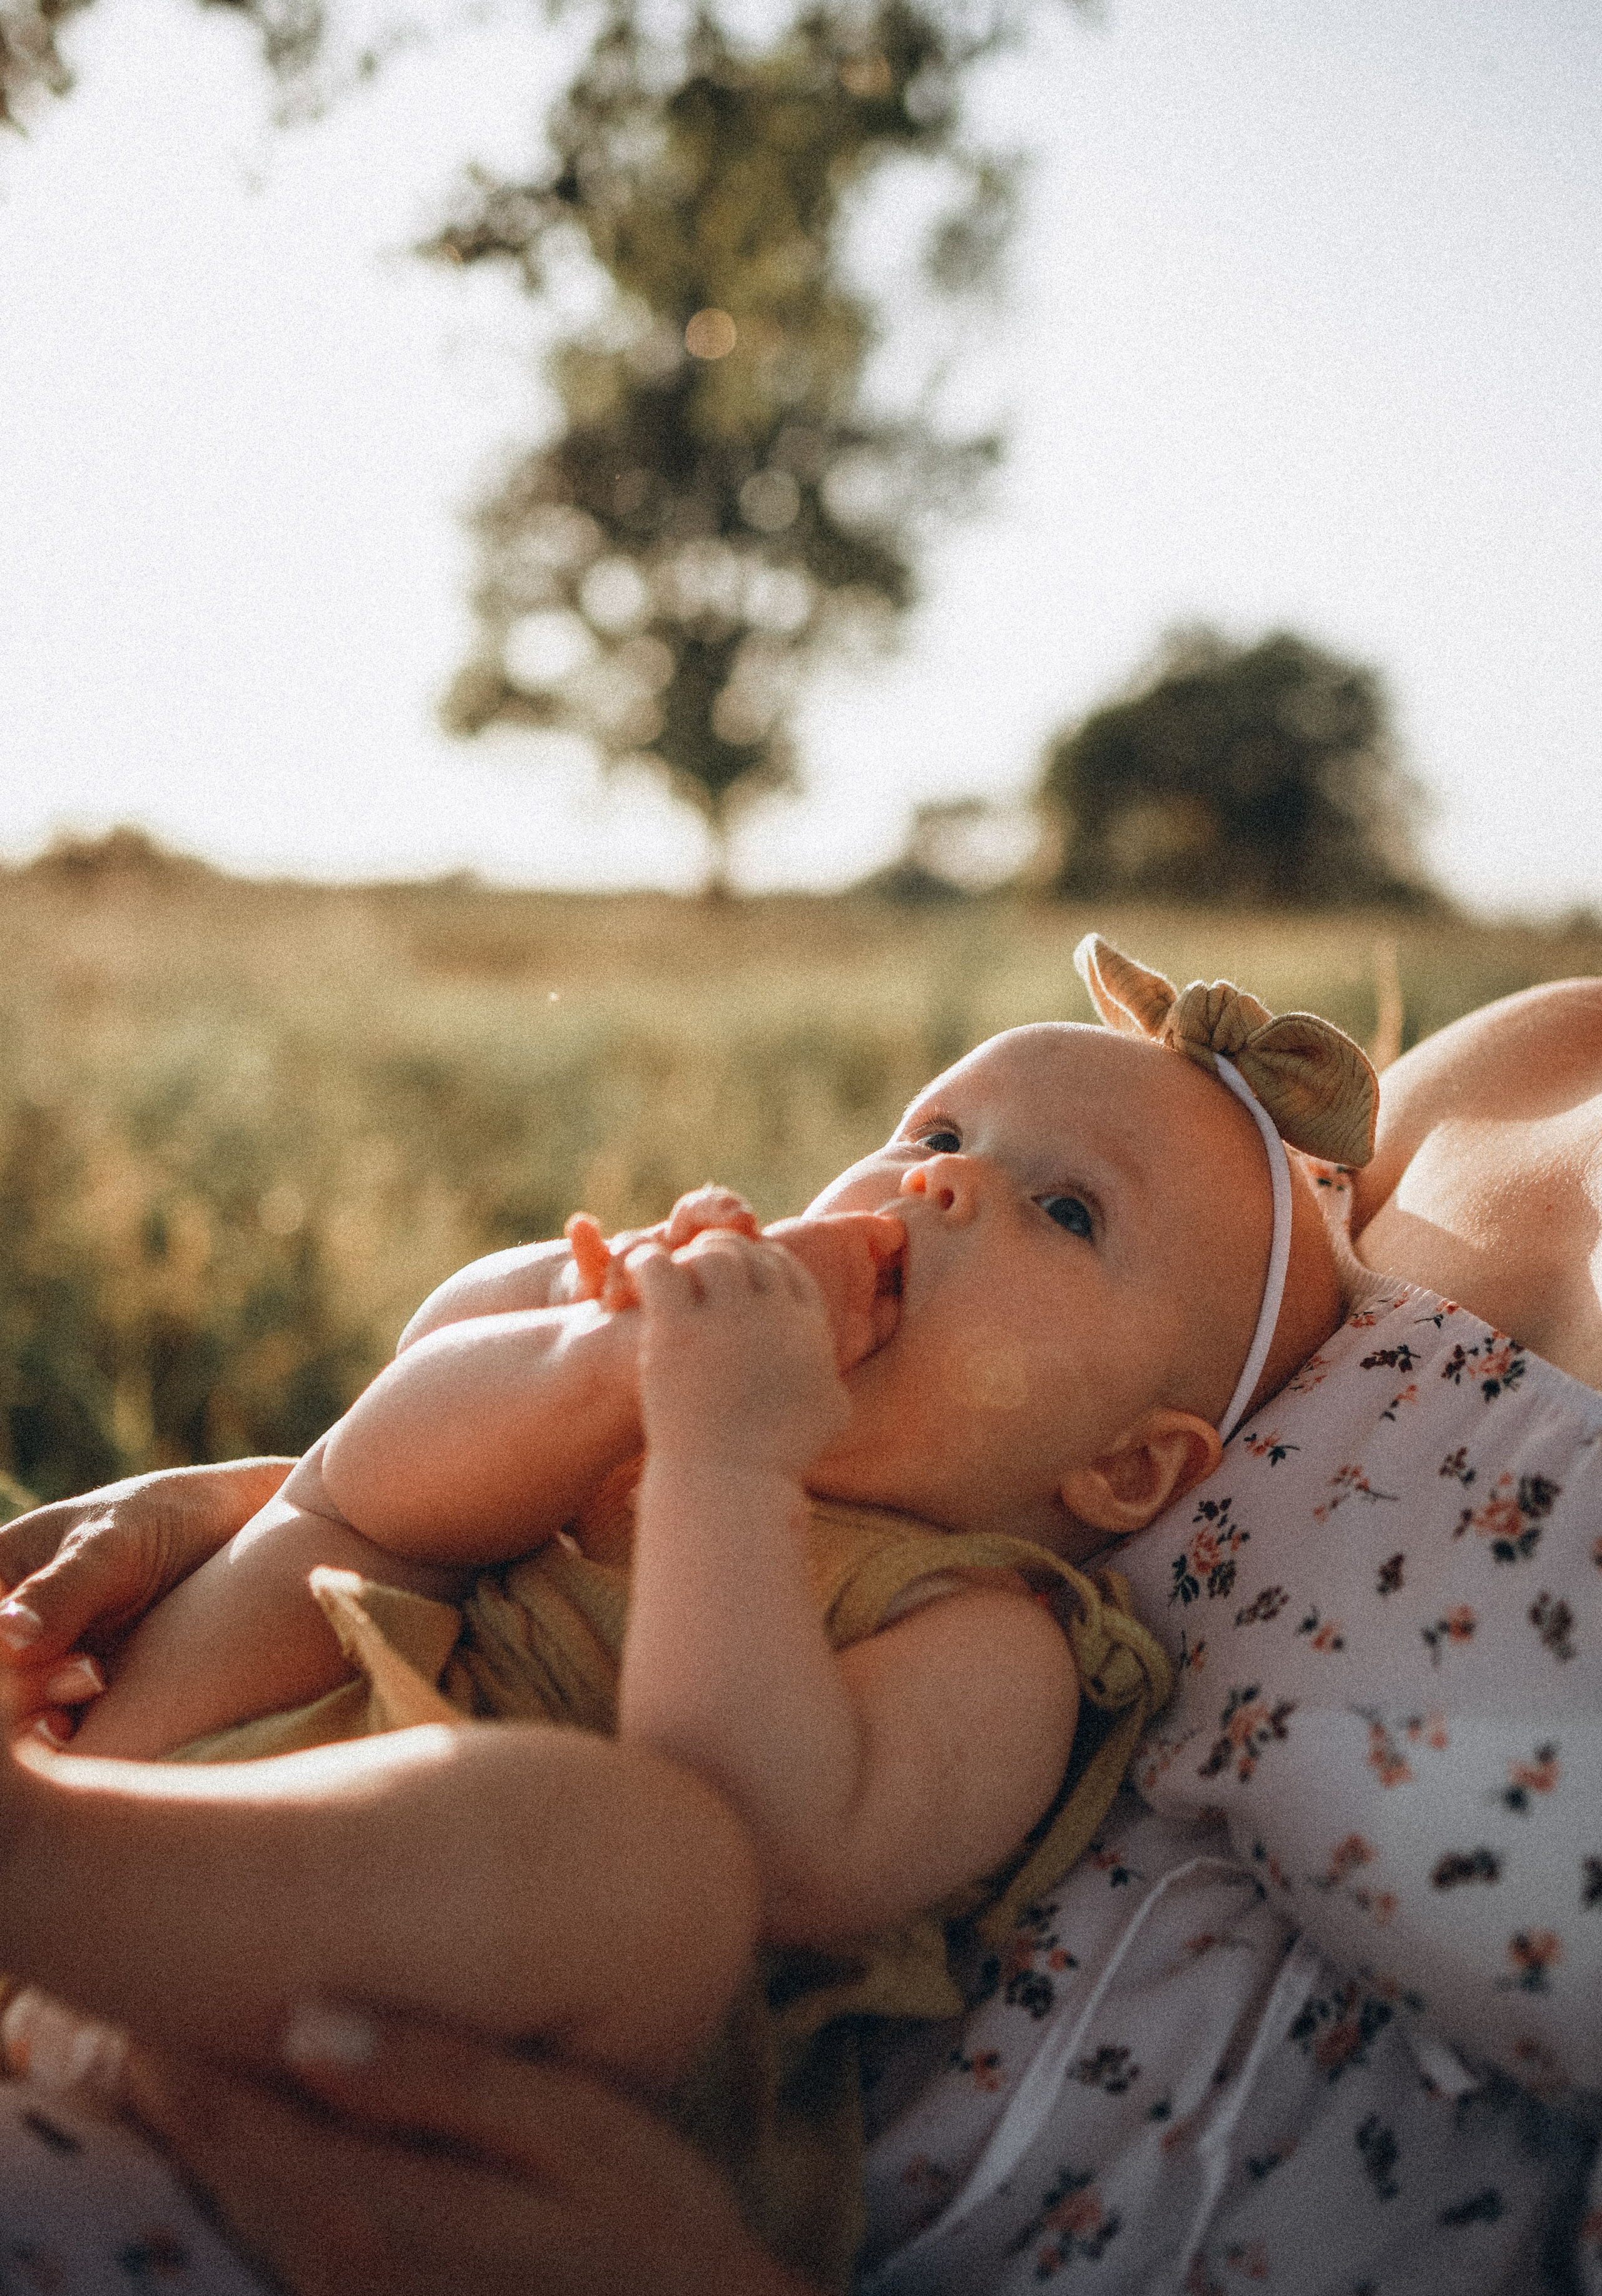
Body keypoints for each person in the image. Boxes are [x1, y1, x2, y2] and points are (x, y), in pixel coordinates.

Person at [6, 954, 1601, 2291]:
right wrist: (584, 1357)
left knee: (663, 1865)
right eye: (937, 1126)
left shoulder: (993, 1628)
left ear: (1127, 1469)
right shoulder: (1502, 1081)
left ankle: (39, 1855)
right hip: (208, 1830)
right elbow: (369, 1487)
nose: (938, 1178)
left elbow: (773, 1841)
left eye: (1060, 1211)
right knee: (333, 1541)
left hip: (489, 2069)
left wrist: (717, 1458)